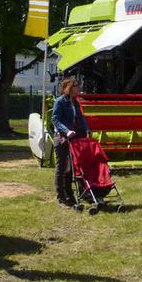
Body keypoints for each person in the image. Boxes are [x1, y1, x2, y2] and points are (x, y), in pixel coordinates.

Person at [51, 77, 89, 206]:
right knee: (62, 168)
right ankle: (61, 197)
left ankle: (70, 195)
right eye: (76, 86)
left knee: (71, 168)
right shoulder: (60, 101)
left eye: (78, 86)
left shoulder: (75, 102)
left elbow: (80, 118)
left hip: (73, 139)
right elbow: (55, 119)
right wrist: (66, 131)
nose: (78, 88)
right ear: (69, 88)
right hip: (61, 138)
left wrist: (87, 130)